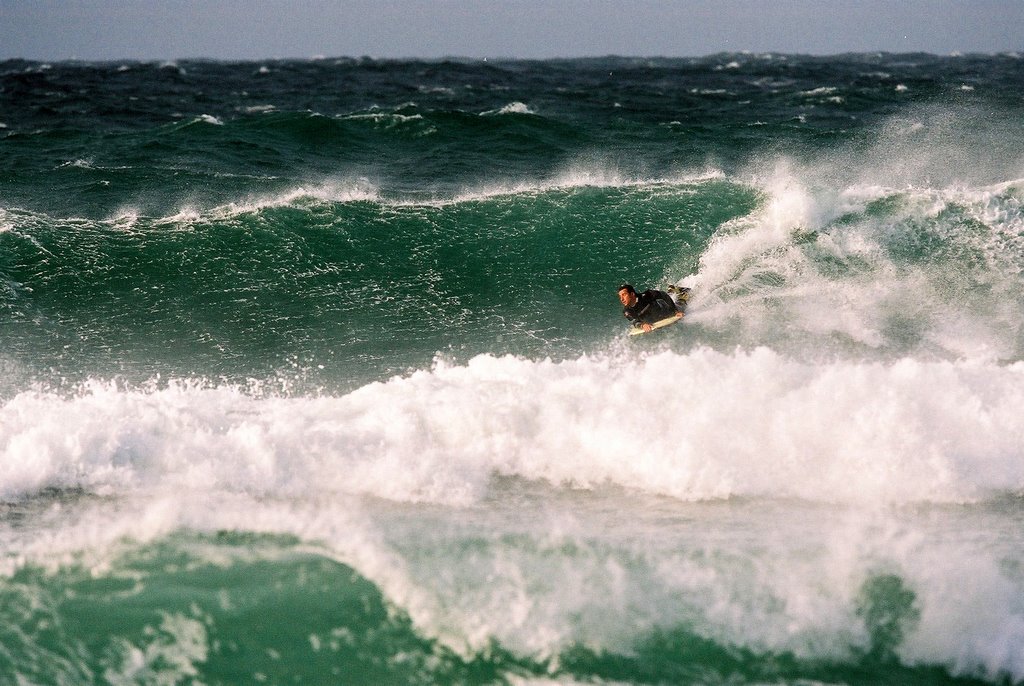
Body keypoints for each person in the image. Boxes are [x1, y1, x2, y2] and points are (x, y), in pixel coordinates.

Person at [618, 283, 683, 332]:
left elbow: (663, 295)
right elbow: (634, 321)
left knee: (681, 304)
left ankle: (679, 293)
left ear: (632, 294)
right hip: (654, 320)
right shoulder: (627, 311)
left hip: (666, 311)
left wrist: (675, 311)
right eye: (620, 296)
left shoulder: (647, 295)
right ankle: (671, 290)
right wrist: (642, 325)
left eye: (624, 295)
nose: (622, 299)